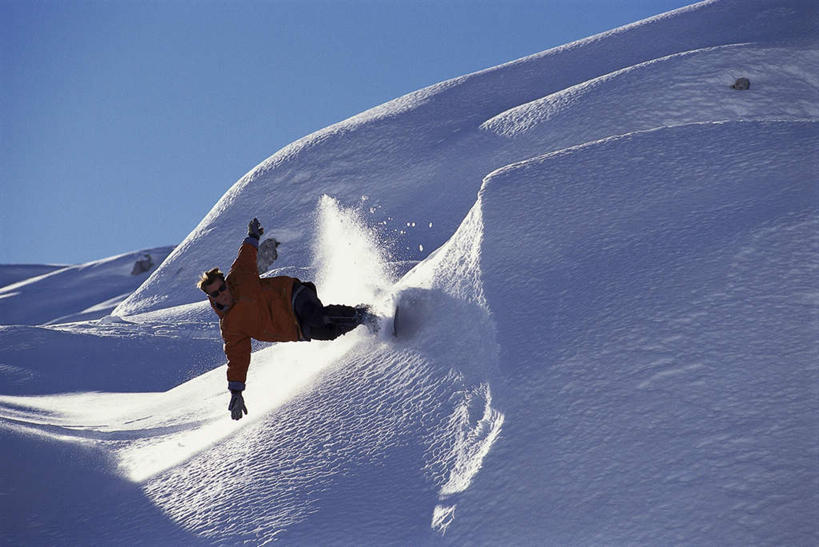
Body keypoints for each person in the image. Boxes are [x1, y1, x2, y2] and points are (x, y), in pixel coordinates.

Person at [198, 218, 377, 420]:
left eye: (222, 287)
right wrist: (236, 392)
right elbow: (237, 358)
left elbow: (246, 255)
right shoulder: (231, 327)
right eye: (215, 293)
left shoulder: (239, 277)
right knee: (328, 333)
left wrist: (253, 235)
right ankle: (360, 314)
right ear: (211, 298)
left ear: (226, 283)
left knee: (317, 317)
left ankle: (364, 316)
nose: (222, 293)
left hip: (291, 295)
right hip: (293, 328)